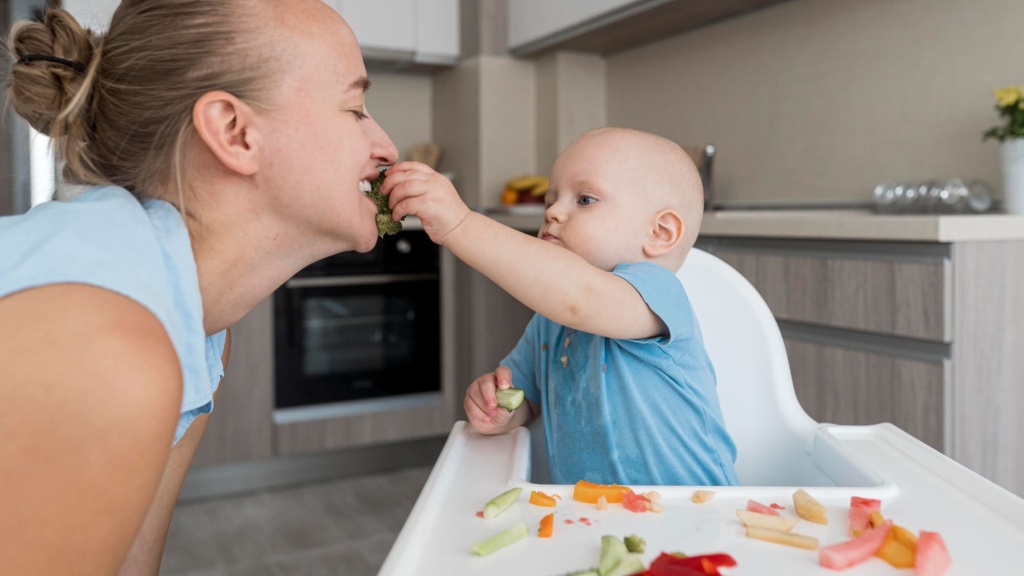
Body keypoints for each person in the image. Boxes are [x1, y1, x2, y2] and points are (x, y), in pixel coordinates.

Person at [0, 2, 398, 574]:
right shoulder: (104, 346)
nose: (387, 148)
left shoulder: (196, 328)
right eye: (356, 108)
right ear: (235, 132)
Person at [384, 127, 738, 486]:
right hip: (589, 516)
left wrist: (461, 224)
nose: (553, 211)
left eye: (584, 199)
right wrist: (501, 409)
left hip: (698, 511)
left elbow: (580, 298)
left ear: (659, 233)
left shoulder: (657, 292)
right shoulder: (549, 322)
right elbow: (528, 401)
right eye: (550, 200)